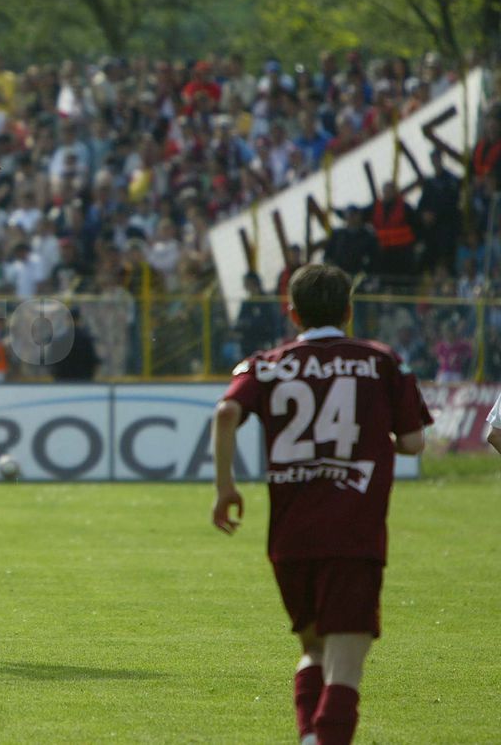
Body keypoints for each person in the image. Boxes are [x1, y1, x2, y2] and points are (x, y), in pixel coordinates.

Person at [210, 263, 430, 745]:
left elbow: (226, 412)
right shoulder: (381, 360)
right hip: (354, 532)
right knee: (346, 666)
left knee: (313, 649)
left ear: (292, 314)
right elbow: (413, 443)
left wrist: (225, 487)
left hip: (290, 538)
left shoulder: (268, 363)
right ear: (350, 311)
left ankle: (310, 736)